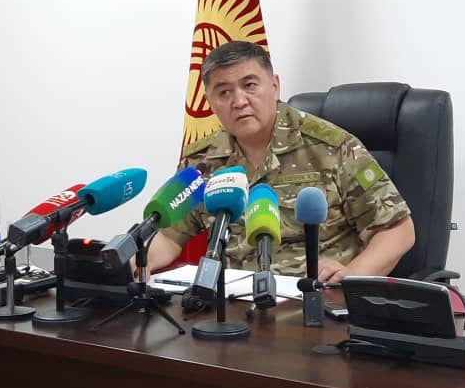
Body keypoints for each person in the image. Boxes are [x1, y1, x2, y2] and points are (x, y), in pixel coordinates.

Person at [146, 40, 414, 282]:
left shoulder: (332, 147)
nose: (239, 101)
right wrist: (135, 263)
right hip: (231, 303)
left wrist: (352, 275)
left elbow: (398, 231)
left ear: (274, 86)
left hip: (317, 298)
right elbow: (168, 237)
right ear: (210, 102)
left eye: (250, 86)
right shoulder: (201, 162)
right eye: (224, 92)